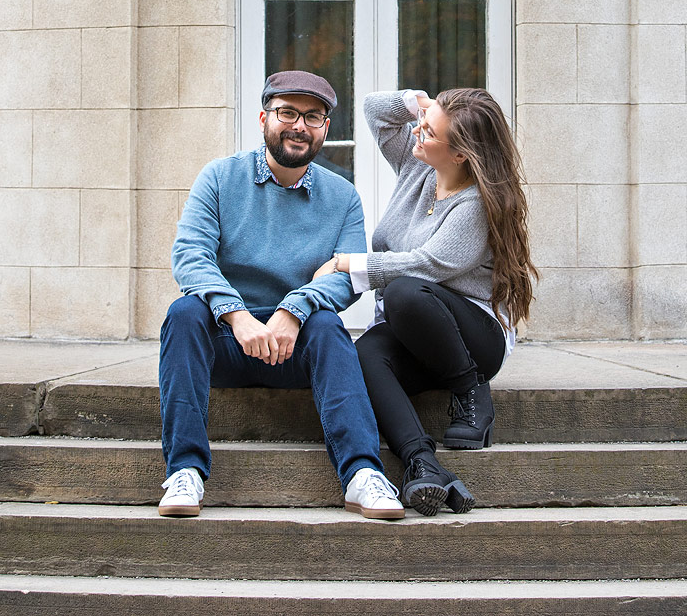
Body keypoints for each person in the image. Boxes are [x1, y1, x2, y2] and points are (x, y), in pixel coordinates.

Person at [158, 70, 404, 521]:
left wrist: (294, 309)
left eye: (312, 116)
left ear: (325, 127)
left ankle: (362, 474)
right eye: (287, 113)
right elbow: (190, 256)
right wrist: (235, 315)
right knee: (184, 312)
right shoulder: (220, 178)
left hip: (296, 349)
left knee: (328, 325)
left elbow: (347, 275)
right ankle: (184, 471)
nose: (299, 126)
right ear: (263, 119)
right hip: (226, 344)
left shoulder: (343, 196)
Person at [314, 88, 537, 517]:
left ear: (460, 154)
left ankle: (470, 391)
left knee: (405, 290)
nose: (417, 132)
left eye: (430, 131)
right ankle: (421, 462)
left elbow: (426, 265)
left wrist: (346, 263)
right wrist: (418, 103)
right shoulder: (418, 165)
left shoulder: (475, 205)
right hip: (412, 330)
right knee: (364, 354)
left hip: (474, 340)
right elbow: (375, 111)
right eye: (423, 123)